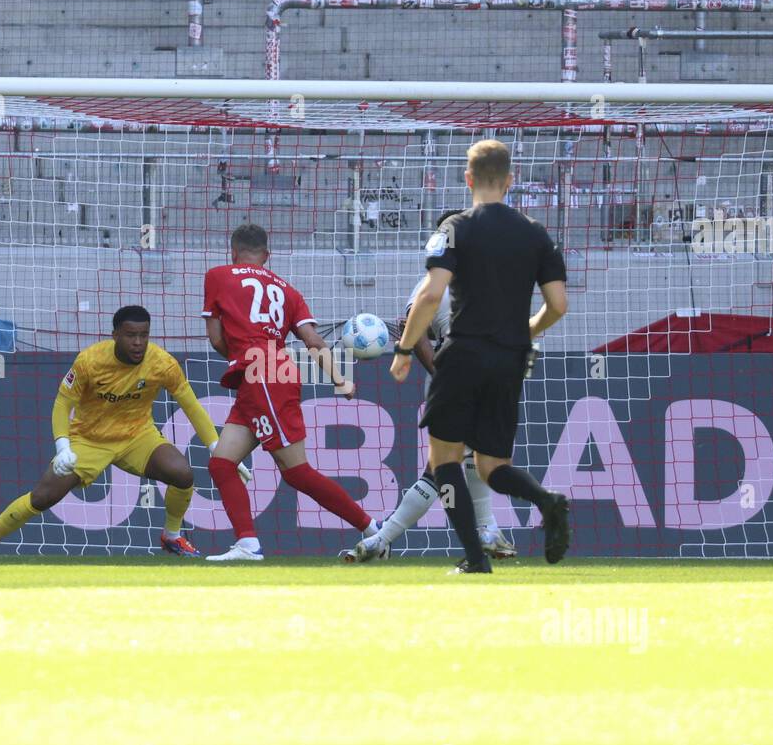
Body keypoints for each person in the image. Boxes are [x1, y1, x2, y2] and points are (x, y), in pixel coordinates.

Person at [390, 139, 571, 574]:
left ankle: (475, 561)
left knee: (445, 461)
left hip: (464, 353)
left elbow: (432, 295)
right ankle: (546, 500)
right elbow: (559, 305)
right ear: (511, 181)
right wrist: (526, 330)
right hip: (511, 360)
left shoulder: (455, 227)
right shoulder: (537, 233)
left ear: (468, 179)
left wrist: (403, 350)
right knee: (493, 466)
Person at [0, 305, 243, 557]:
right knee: (43, 497)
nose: (138, 342)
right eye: (131, 335)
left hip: (137, 436)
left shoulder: (162, 363)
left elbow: (190, 404)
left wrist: (215, 445)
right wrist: (63, 445)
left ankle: (171, 535)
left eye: (143, 335)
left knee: (182, 473)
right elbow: (63, 403)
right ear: (115, 335)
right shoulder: (90, 361)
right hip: (89, 440)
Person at [341, 210, 517, 563]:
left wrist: (440, 374)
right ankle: (483, 532)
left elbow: (411, 326)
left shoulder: (435, 283)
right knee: (457, 464)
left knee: (455, 465)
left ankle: (388, 539)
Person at [202, 223, 380, 561]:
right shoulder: (288, 290)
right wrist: (340, 380)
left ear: (233, 250)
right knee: (222, 464)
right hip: (269, 373)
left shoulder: (218, 275)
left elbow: (215, 337)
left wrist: (244, 356)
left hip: (259, 372)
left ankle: (373, 529)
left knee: (296, 471)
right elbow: (313, 340)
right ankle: (247, 543)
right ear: (267, 256)